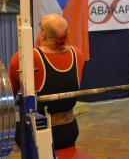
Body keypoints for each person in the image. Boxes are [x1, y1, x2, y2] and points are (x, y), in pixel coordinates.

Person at [8, 13, 85, 149]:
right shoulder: (77, 54)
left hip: (37, 134)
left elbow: (7, 101)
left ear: (42, 35)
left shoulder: (22, 59)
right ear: (68, 33)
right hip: (69, 131)